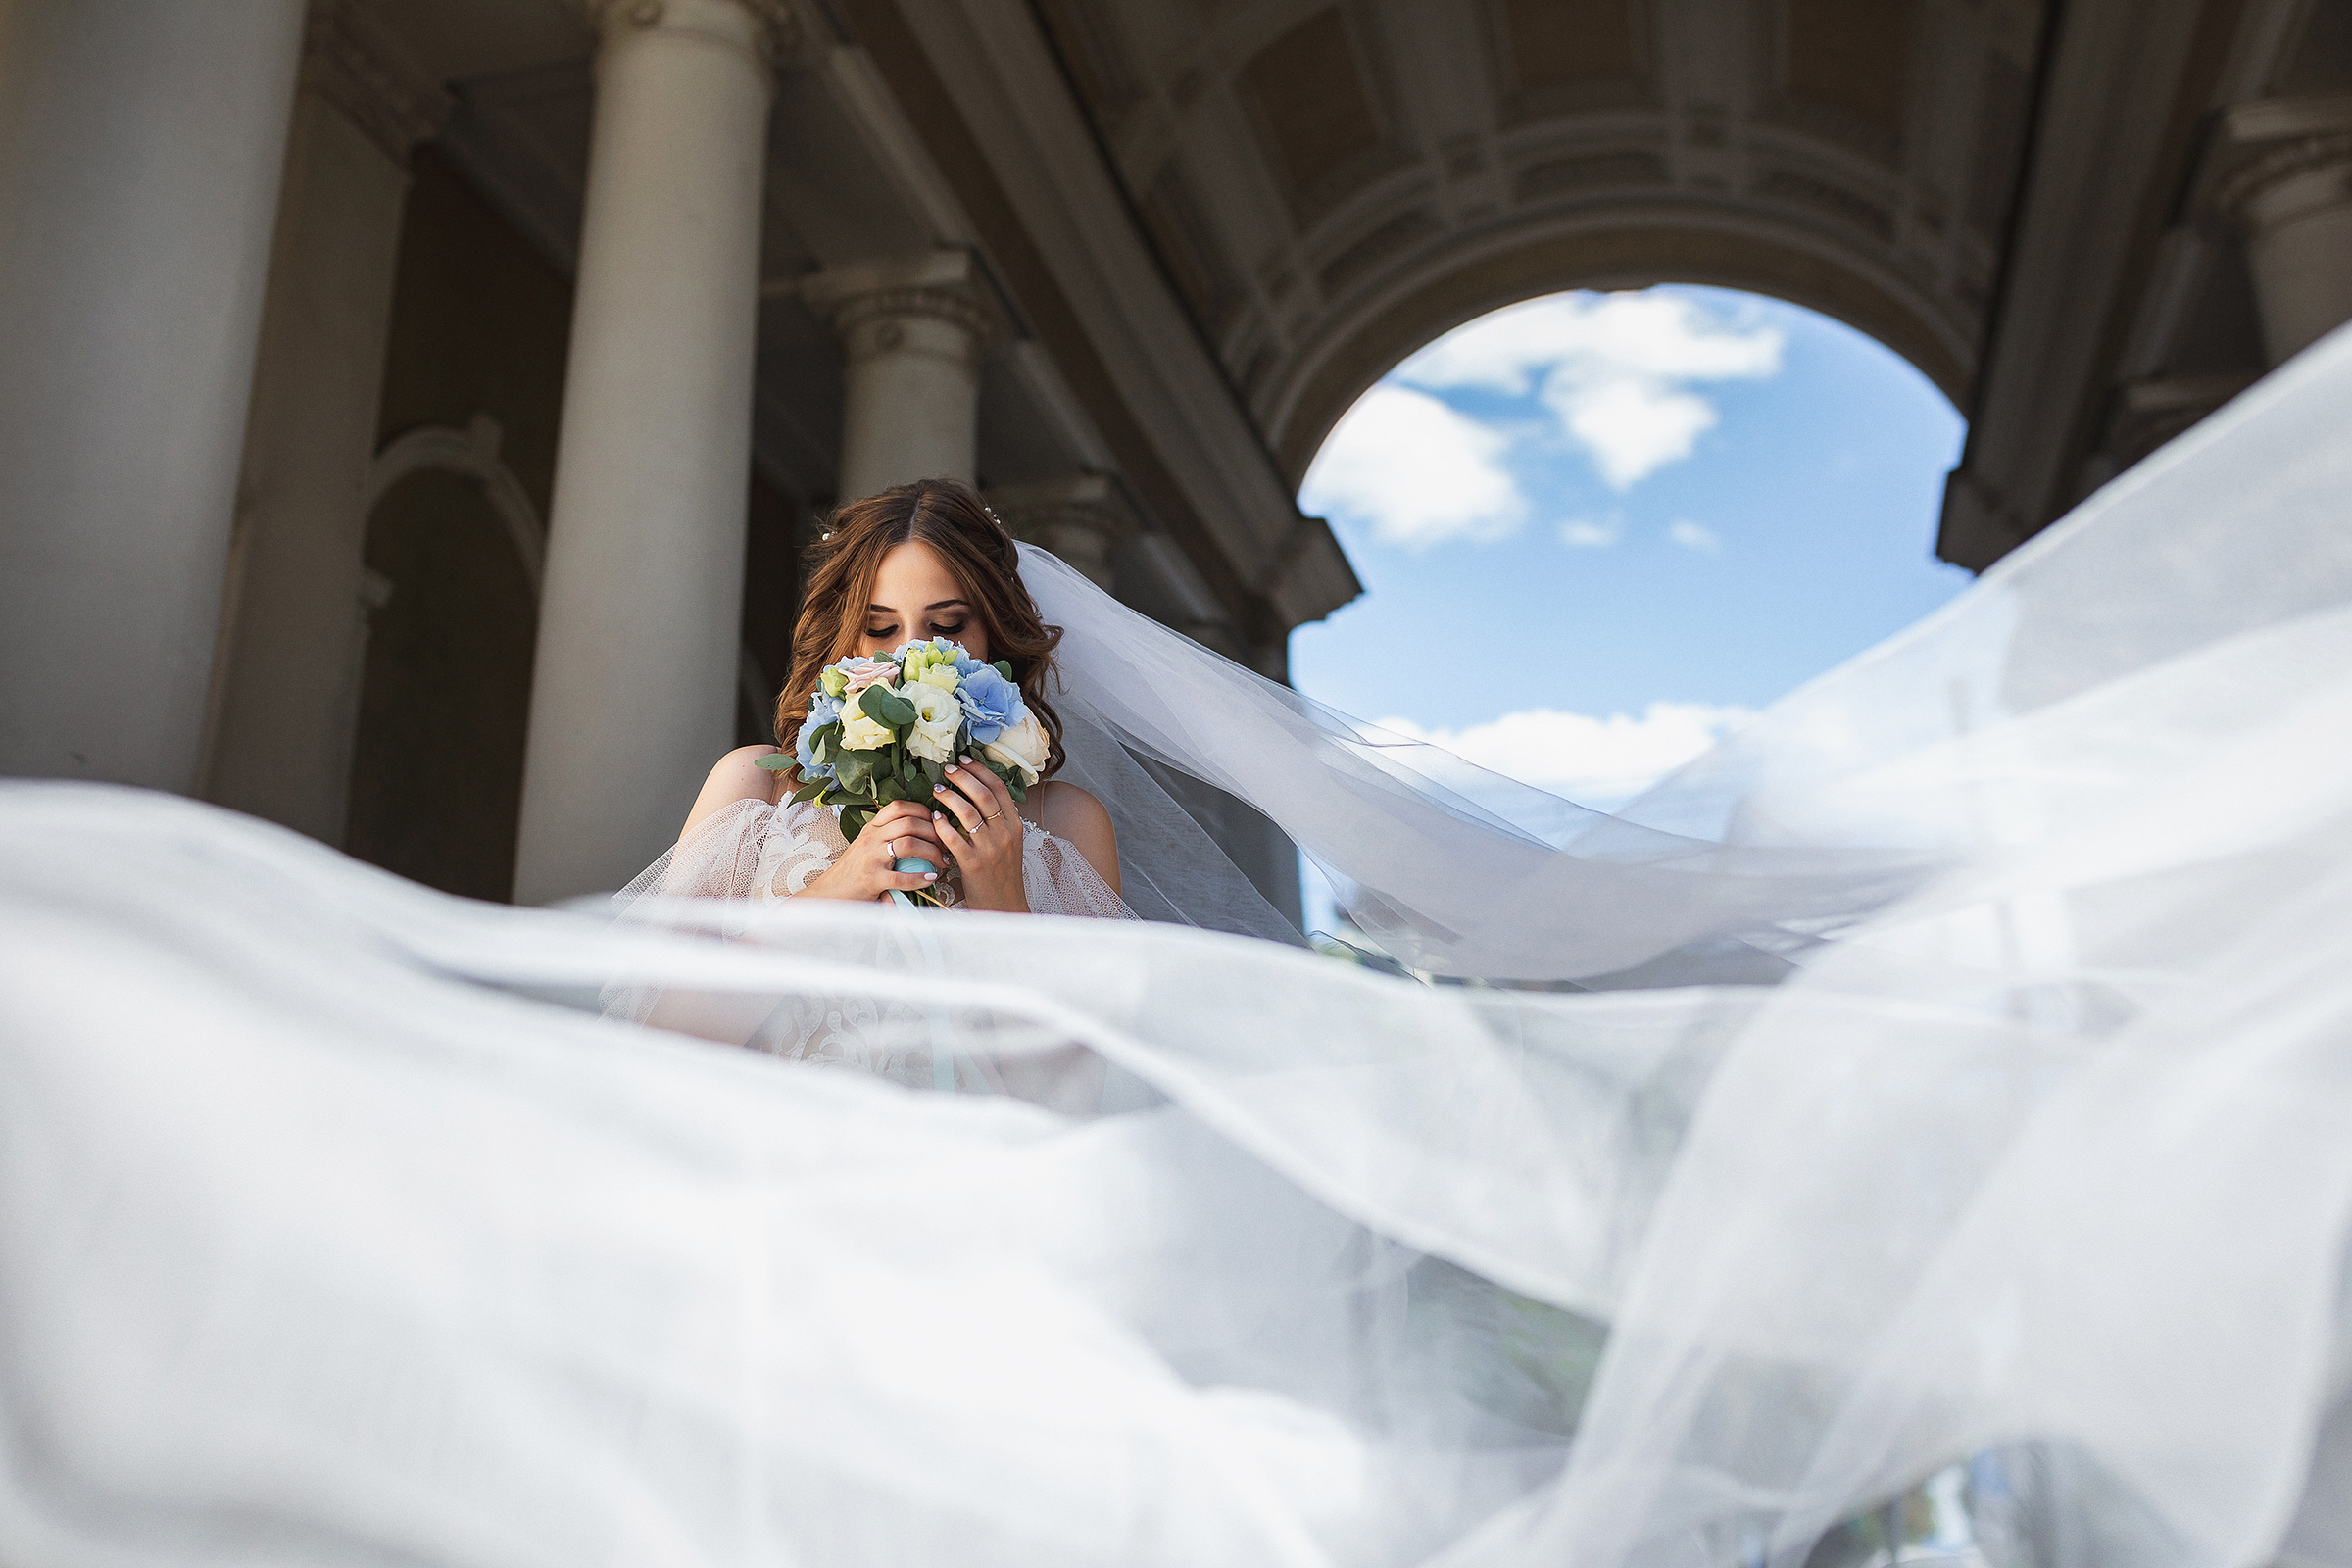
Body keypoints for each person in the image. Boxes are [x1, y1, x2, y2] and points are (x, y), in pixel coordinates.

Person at [625, 479, 1131, 921]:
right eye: (880, 628)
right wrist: (840, 887)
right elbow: (663, 1023)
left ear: (996, 635)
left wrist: (1002, 900)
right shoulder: (754, 789)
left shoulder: (1066, 826)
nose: (910, 652)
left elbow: (1090, 1034)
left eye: (948, 626)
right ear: (845, 639)